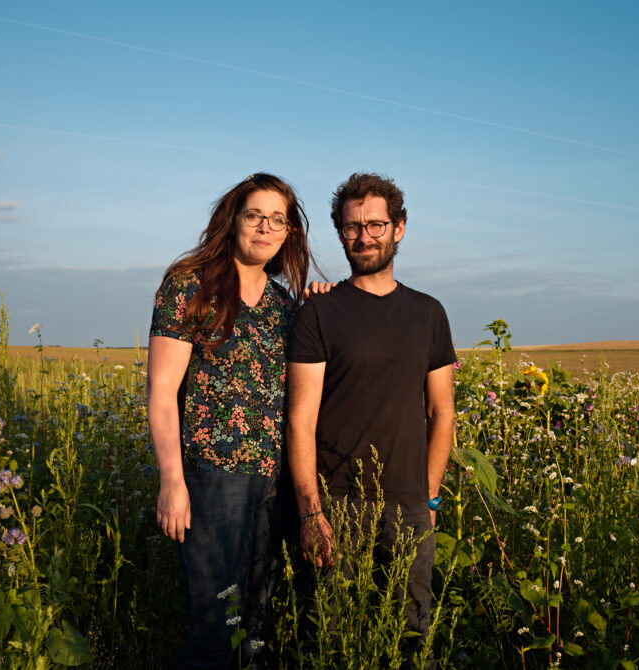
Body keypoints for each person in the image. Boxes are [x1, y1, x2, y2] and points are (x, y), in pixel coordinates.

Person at [148, 173, 315, 669]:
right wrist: (171, 480)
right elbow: (161, 392)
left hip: (273, 485)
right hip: (211, 479)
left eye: (277, 220)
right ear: (233, 219)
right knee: (215, 632)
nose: (265, 228)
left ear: (289, 233)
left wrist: (326, 299)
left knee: (256, 634)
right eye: (254, 215)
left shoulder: (286, 306)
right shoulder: (191, 285)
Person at [286, 172, 456, 657]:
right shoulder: (318, 312)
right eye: (352, 227)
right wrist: (311, 510)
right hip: (336, 504)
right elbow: (300, 419)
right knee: (330, 642)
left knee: (411, 641)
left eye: (376, 225)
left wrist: (430, 497)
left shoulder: (429, 313)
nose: (364, 237)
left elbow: (442, 411)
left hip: (410, 505)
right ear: (340, 232)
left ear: (398, 228)